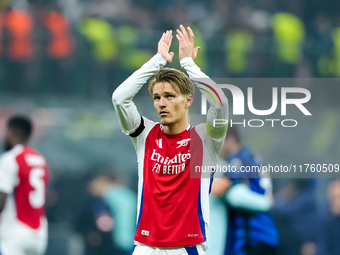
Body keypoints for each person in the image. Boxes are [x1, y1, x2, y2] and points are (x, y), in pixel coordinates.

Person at [112, 25, 229, 255]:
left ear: (188, 100)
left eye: (169, 96)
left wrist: (188, 64)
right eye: (157, 97)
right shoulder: (145, 134)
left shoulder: (205, 139)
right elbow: (120, 98)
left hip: (184, 248)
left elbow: (220, 102)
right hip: (145, 247)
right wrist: (157, 61)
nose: (161, 103)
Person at [211, 126, 279, 255]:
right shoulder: (249, 156)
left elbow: (217, 189)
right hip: (264, 234)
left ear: (230, 139)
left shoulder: (238, 160)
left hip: (255, 234)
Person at [0, 115, 49, 255]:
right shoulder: (40, 160)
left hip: (13, 234)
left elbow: (1, 202)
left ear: (13, 132)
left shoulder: (10, 159)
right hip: (38, 235)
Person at [89, 173, 137, 255]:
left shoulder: (107, 196)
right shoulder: (130, 195)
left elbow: (103, 221)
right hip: (133, 238)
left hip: (116, 239)